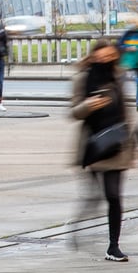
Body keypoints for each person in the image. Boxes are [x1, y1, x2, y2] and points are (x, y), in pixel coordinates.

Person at [71, 37, 135, 262]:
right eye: (101, 57)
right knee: (95, 198)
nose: (105, 60)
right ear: (94, 56)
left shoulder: (118, 77)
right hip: (95, 146)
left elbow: (126, 112)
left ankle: (113, 246)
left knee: (113, 196)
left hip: (117, 146)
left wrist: (131, 144)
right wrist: (89, 105)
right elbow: (74, 112)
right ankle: (78, 226)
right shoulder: (83, 79)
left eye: (110, 57)